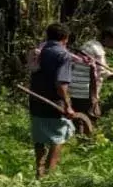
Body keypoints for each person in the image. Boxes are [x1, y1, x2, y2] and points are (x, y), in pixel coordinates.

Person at [30, 24, 79, 177]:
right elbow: (61, 84)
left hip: (36, 100)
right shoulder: (63, 55)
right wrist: (68, 105)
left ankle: (39, 170)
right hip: (54, 103)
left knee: (39, 137)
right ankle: (50, 176)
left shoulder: (39, 51)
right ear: (65, 38)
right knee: (58, 138)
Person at [70, 26, 113, 121]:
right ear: (107, 38)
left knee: (78, 116)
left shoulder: (89, 44)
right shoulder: (98, 51)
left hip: (75, 87)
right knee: (89, 117)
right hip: (86, 89)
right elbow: (102, 72)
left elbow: (100, 68)